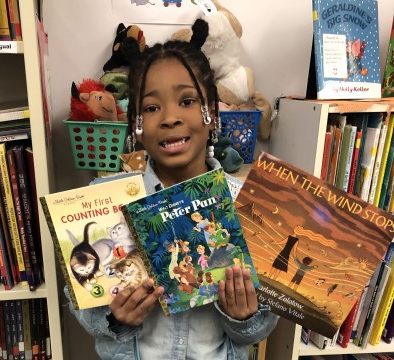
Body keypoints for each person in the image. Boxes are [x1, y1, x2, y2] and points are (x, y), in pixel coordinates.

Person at [65, 19, 278, 360]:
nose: (169, 117)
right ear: (136, 124)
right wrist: (115, 318)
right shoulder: (105, 201)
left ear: (211, 112)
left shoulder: (246, 206)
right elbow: (83, 306)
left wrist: (244, 316)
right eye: (151, 108)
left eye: (188, 101)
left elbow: (262, 327)